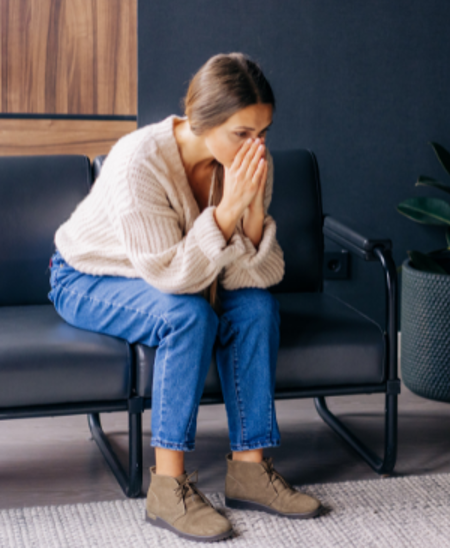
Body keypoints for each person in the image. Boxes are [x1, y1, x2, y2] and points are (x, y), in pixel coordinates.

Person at [49, 53, 321, 542]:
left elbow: (254, 279)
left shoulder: (248, 163)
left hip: (180, 276)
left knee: (258, 309)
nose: (255, 146)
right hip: (88, 276)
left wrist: (252, 219)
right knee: (188, 317)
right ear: (202, 121)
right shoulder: (139, 163)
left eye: (264, 131)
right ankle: (168, 486)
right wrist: (227, 214)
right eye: (242, 133)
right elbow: (173, 278)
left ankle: (249, 469)